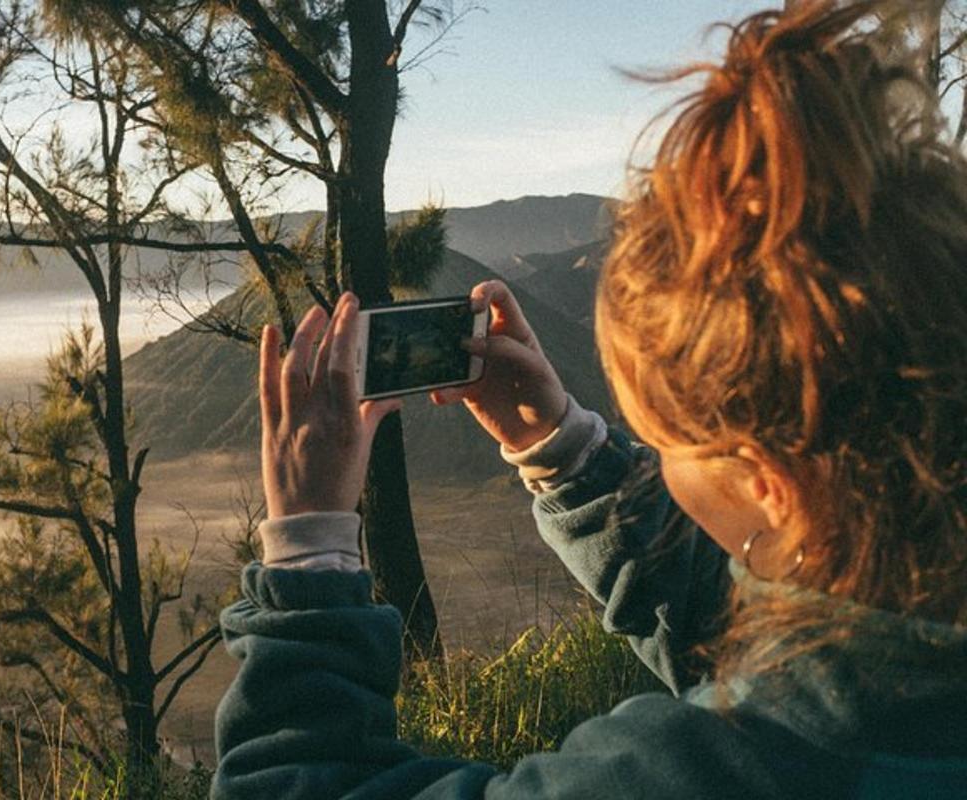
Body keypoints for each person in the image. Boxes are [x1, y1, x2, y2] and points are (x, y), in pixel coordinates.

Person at [210, 2, 967, 797]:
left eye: (668, 441)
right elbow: (772, 632)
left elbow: (294, 783)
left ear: (767, 482)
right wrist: (564, 449)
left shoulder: (688, 775)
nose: (660, 462)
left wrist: (310, 547)